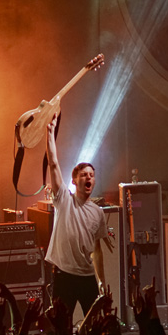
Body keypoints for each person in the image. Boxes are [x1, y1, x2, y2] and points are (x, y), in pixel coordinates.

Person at [43, 114, 113, 319]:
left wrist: (101, 280)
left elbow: (97, 250)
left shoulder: (97, 212)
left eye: (91, 175)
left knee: (96, 324)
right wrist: (50, 133)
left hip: (87, 276)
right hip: (64, 275)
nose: (88, 177)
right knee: (61, 325)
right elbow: (53, 164)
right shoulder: (64, 199)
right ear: (74, 181)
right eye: (83, 175)